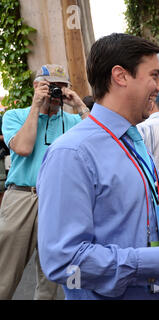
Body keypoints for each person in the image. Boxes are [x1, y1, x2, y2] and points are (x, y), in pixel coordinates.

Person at [36, 33, 159, 300]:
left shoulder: (133, 139)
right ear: (120, 76)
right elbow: (64, 261)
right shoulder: (71, 154)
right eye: (154, 75)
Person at [0, 64, 90, 299]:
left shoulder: (71, 121)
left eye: (61, 88)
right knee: (5, 271)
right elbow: (23, 147)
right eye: (51, 87)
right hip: (22, 196)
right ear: (37, 86)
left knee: (50, 278)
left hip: (59, 199)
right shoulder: (15, 115)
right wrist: (36, 107)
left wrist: (80, 105)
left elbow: (98, 141)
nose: (55, 93)